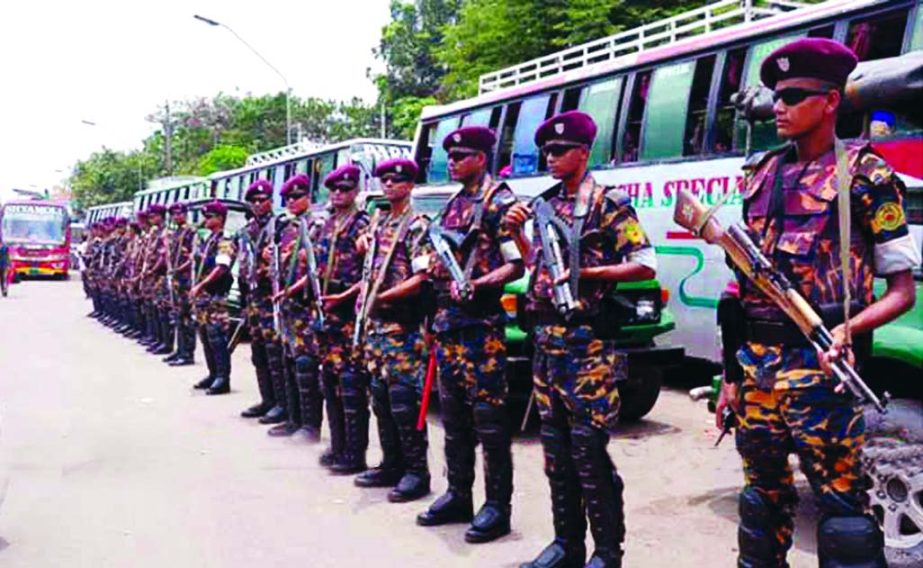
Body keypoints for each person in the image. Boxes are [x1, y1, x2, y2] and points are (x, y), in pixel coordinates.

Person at [712, 38, 920, 568]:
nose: (778, 106)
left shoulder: (867, 177)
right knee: (761, 505)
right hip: (757, 373)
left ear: (831, 101)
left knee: (843, 517)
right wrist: (729, 379)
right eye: (776, 96)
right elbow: (739, 292)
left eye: (795, 95)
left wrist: (850, 331)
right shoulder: (758, 176)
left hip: (823, 372)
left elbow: (901, 291)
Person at [505, 111, 657, 568]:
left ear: (583, 153)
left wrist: (589, 272)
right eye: (546, 151)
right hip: (546, 343)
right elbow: (540, 271)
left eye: (558, 150)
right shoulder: (545, 203)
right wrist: (516, 233)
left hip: (587, 344)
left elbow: (644, 262)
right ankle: (566, 545)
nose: (550, 158)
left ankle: (607, 552)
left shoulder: (608, 203)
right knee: (556, 451)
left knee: (589, 451)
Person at [416, 126, 524, 544]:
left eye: (462, 155)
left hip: (481, 327)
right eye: (451, 156)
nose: (454, 162)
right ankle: (459, 494)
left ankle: (497, 507)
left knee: (491, 423)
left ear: (481, 157)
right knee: (455, 419)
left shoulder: (500, 203)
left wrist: (481, 283)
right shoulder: (453, 204)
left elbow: (516, 265)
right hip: (449, 326)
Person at [353, 157, 432, 503]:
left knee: (404, 401)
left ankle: (417, 472)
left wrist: (383, 295)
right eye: (384, 180)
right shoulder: (380, 220)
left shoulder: (417, 224)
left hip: (402, 325)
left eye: (397, 180)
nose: (389, 185)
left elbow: (421, 276)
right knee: (381, 399)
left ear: (410, 185)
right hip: (376, 326)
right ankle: (391, 463)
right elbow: (367, 258)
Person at [290, 164, 370, 472]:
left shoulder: (362, 225)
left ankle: (355, 453)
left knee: (351, 386)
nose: (338, 194)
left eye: (345, 189)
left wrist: (344, 297)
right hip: (323, 315)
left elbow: (371, 275)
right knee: (329, 382)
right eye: (334, 190)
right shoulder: (324, 226)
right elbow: (313, 268)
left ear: (355, 192)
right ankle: (338, 447)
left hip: (347, 314)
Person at [268, 174, 321, 440]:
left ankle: (310, 425)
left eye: (297, 197)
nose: (292, 202)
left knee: (305, 364)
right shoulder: (286, 228)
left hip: (305, 305)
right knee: (288, 360)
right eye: (288, 198)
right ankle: (293, 418)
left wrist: (292, 289)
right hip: (287, 306)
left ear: (308, 198)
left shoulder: (315, 226)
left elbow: (315, 270)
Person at [238, 180, 285, 421]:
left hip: (270, 299)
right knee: (258, 353)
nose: (258, 204)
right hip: (254, 300)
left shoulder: (280, 226)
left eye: (262, 199)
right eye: (254, 201)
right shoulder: (248, 230)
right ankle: (267, 399)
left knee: (275, 354)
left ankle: (281, 403)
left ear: (271, 200)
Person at [190, 200, 238, 395]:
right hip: (204, 297)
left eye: (209, 217)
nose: (206, 220)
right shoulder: (209, 239)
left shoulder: (225, 239)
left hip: (216, 295)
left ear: (220, 218)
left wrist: (201, 285)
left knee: (217, 337)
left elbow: (222, 267)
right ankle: (212, 374)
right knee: (206, 335)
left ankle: (222, 378)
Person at [164, 202, 197, 366]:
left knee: (186, 316)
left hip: (185, 280)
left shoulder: (191, 232)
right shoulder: (175, 233)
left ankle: (188, 353)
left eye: (179, 213)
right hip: (176, 279)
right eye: (174, 214)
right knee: (177, 315)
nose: (177, 216)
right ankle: (180, 350)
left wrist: (178, 269)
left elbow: (193, 257)